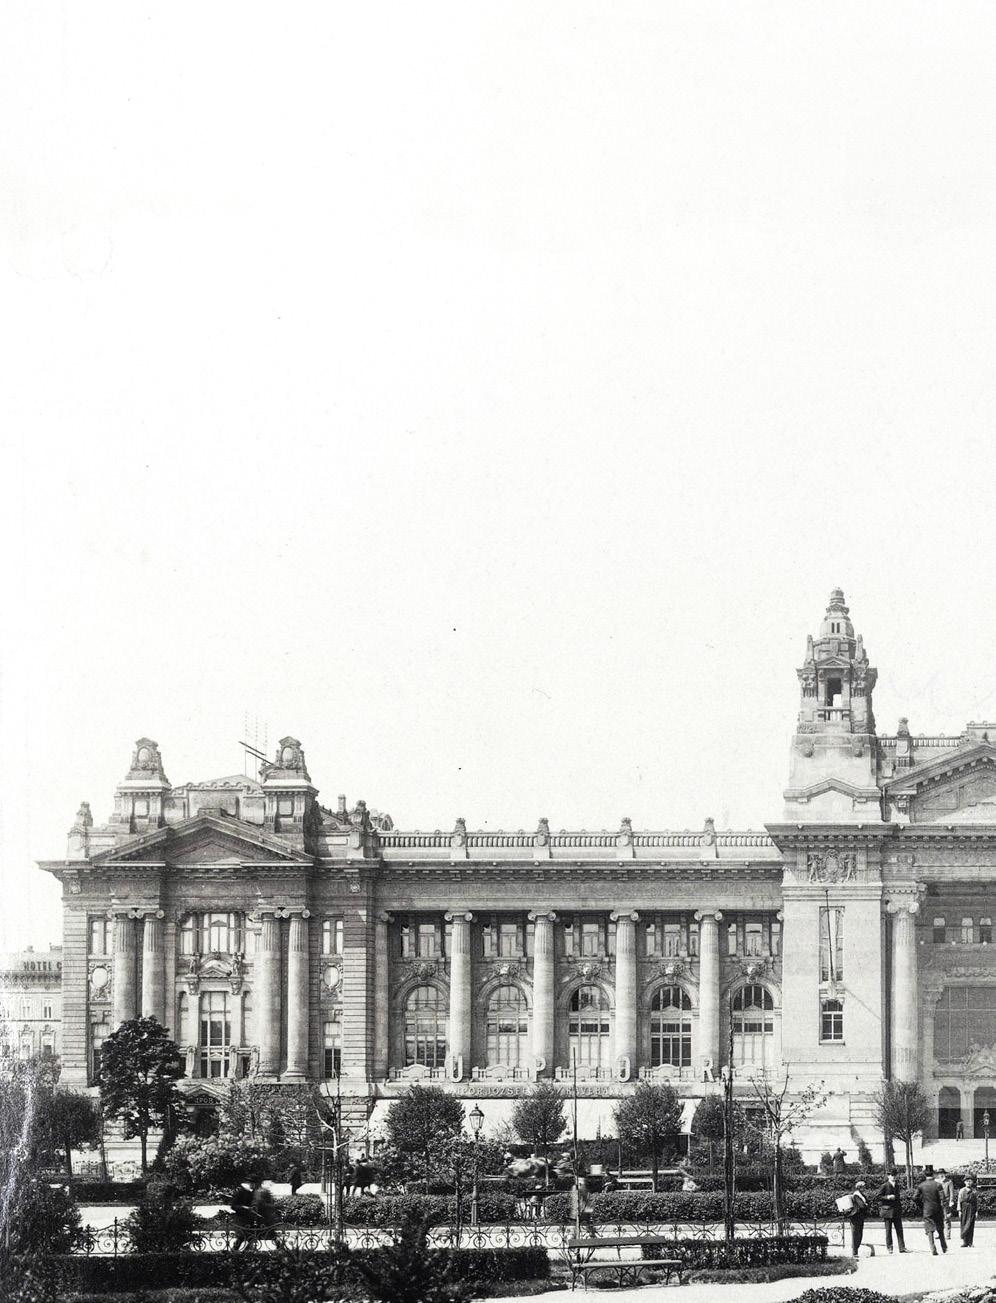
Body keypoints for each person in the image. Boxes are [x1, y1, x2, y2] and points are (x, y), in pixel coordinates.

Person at [916, 1169, 947, 1255]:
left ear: (925, 1175)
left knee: (929, 1229)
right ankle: (943, 1246)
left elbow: (915, 1197)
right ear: (933, 1175)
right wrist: (942, 1207)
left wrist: (922, 1205)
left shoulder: (921, 1185)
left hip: (927, 1209)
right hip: (937, 1209)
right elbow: (943, 1198)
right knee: (940, 1227)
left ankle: (933, 1248)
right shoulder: (938, 1185)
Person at [876, 1167, 906, 1254]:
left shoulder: (897, 1185)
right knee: (888, 1230)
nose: (894, 1177)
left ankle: (902, 1248)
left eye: (895, 1175)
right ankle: (889, 1247)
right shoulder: (884, 1185)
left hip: (896, 1211)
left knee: (899, 1230)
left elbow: (898, 1198)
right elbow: (878, 1197)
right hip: (887, 1211)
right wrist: (888, 1197)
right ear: (888, 1176)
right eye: (892, 1175)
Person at [230, 1181, 256, 1252]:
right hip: (241, 1217)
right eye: (252, 1183)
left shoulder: (252, 1192)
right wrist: (244, 1207)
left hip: (249, 1218)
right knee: (243, 1234)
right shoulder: (241, 1192)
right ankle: (237, 1249)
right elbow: (233, 1206)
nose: (253, 1185)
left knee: (250, 1234)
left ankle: (244, 1249)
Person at [251, 1179, 279, 1244]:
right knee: (251, 1233)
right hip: (257, 1216)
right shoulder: (253, 1192)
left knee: (270, 1232)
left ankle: (279, 1245)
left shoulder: (263, 1192)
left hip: (263, 1216)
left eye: (253, 1183)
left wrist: (262, 1204)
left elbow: (269, 1204)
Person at [848, 1180, 870, 1256]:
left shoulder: (861, 1195)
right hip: (855, 1217)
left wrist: (866, 1205)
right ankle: (854, 1252)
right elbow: (862, 1206)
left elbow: (866, 1204)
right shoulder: (856, 1195)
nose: (864, 1188)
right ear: (859, 1188)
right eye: (863, 1187)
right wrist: (866, 1205)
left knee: (859, 1234)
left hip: (860, 1217)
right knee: (855, 1234)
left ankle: (856, 1250)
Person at [958, 1174, 978, 1247]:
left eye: (970, 1181)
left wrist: (976, 1211)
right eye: (967, 1181)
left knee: (971, 1225)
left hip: (972, 1209)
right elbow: (959, 1201)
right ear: (964, 1182)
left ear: (972, 1182)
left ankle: (970, 1242)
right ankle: (965, 1242)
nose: (968, 1183)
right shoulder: (962, 1190)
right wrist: (959, 1210)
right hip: (964, 1208)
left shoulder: (974, 1191)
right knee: (964, 1224)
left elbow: (976, 1202)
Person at [938, 1169, 956, 1237]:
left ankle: (948, 1234)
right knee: (939, 1218)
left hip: (946, 1202)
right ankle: (940, 1234)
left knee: (947, 1218)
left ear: (944, 1174)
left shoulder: (949, 1182)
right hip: (938, 1202)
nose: (941, 1175)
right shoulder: (937, 1182)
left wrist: (951, 1201)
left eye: (942, 1173)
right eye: (939, 1173)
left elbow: (951, 1192)